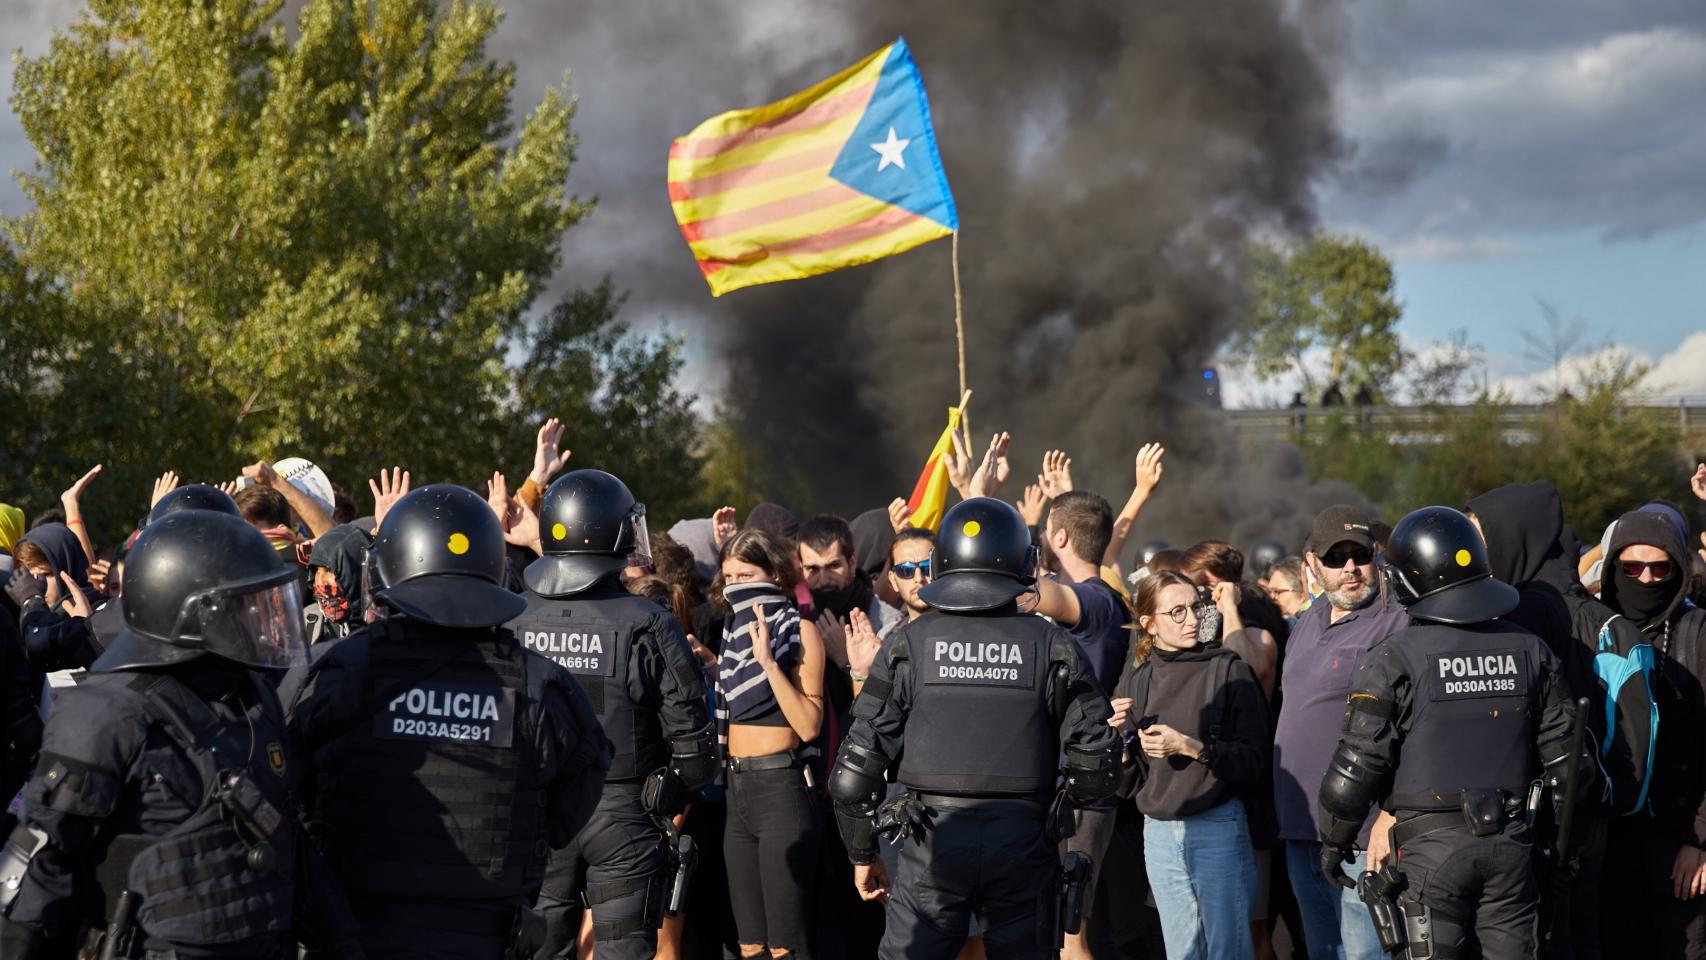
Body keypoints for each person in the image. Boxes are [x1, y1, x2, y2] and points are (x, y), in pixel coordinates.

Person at [0, 509, 362, 957]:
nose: (260, 621)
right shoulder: (103, 713)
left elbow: (291, 846)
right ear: (196, 614)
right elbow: (39, 873)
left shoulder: (250, 699)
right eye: (246, 608)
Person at [284, 483, 612, 959]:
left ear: (386, 569)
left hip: (355, 930)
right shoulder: (538, 683)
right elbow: (577, 790)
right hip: (484, 934)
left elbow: (284, 782)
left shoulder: (337, 670)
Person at [829, 497, 1123, 959]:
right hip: (1025, 843)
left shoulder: (909, 643)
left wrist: (862, 855)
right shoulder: (1052, 644)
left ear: (943, 561)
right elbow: (1099, 760)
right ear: (1023, 562)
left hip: (930, 841)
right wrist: (1057, 816)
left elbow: (852, 777)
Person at [1317, 506, 1589, 960]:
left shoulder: (1392, 658)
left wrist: (1334, 842)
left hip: (1429, 856)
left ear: (1407, 580)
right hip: (1511, 848)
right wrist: (1562, 849)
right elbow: (1570, 768)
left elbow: (1357, 767)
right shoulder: (1530, 649)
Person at [506, 469, 718, 960]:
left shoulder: (514, 616)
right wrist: (668, 796)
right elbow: (693, 743)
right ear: (614, 534)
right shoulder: (648, 621)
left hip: (539, 806)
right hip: (624, 810)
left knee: (536, 949)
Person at [1272, 505, 1408, 960]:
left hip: (1363, 835)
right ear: (1311, 564)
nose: (1350, 568)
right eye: (1335, 558)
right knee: (1322, 951)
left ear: (1377, 555)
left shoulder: (1399, 622)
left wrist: (1389, 817)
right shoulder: (1310, 618)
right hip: (1301, 828)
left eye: (1360, 554)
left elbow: (1414, 727)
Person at [1118, 570, 1269, 960]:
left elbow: (1255, 762)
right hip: (1159, 834)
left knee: (1228, 951)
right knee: (1182, 952)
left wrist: (1193, 747)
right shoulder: (1139, 679)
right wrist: (1117, 744)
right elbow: (1129, 782)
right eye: (1177, 612)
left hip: (1217, 826)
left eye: (1196, 608)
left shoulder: (1228, 669)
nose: (1191, 620)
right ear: (1149, 623)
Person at [1017, 489, 1132, 959]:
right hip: (1051, 781)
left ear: (1059, 535)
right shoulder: (1090, 596)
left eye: (1046, 529)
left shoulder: (1097, 601)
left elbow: (1036, 594)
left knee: (1072, 932)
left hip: (1081, 787)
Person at [1593, 509, 1706, 958]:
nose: (1645, 579)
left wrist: (1699, 840)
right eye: (1631, 567)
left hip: (1680, 847)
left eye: (1660, 568)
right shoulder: (1597, 631)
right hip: (1609, 846)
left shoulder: (1696, 634)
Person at [715, 526, 826, 959]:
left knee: (786, 945)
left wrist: (769, 665)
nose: (735, 587)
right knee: (750, 945)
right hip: (736, 791)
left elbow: (809, 724)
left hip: (782, 791)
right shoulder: (729, 636)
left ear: (773, 575)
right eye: (728, 578)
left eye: (745, 576)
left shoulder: (799, 631)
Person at [304, 523, 373, 644]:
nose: (320, 581)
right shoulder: (308, 623)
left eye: (329, 570)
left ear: (356, 572)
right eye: (316, 571)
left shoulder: (384, 624)